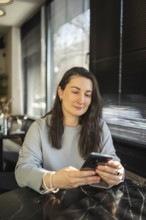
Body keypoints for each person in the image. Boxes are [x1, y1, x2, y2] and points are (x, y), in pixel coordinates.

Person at [15, 66, 124, 194]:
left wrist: (118, 173)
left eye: (87, 95)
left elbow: (113, 161)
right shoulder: (39, 127)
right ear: (60, 92)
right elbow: (22, 172)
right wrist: (53, 179)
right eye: (75, 92)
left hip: (89, 204)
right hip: (50, 205)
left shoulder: (100, 127)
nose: (81, 100)